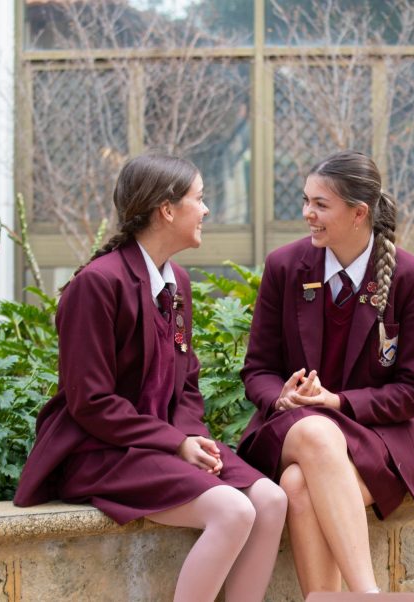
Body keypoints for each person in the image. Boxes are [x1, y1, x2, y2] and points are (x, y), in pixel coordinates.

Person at [14, 153, 287, 602]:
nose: (206, 210)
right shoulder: (97, 285)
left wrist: (192, 440)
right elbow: (91, 401)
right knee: (233, 510)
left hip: (165, 445)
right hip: (102, 451)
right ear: (166, 209)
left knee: (272, 502)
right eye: (199, 199)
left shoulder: (175, 281)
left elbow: (187, 385)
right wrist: (175, 444)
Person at [237, 150, 414, 595]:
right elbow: (259, 369)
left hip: (377, 433)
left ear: (358, 213)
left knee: (298, 485)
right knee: (314, 433)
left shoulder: (409, 276)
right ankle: (368, 594)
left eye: (320, 205)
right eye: (306, 200)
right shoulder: (285, 266)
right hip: (294, 427)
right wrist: (282, 398)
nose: (307, 214)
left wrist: (337, 402)